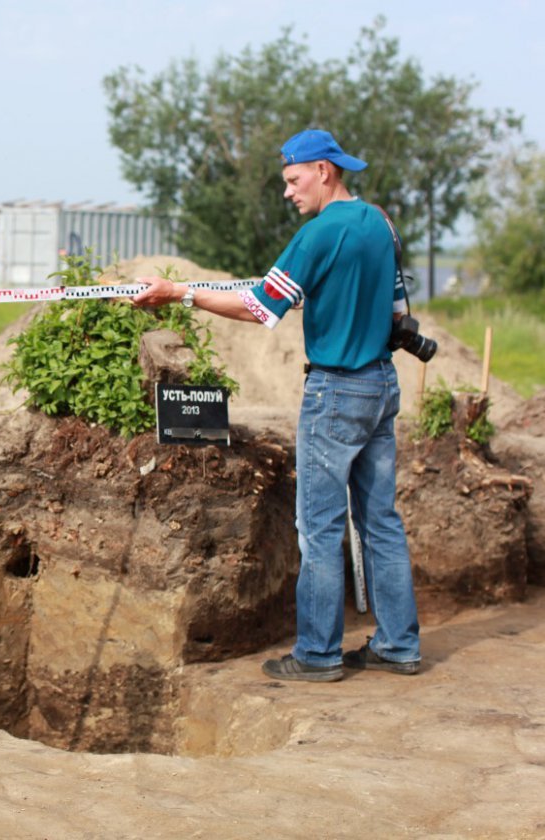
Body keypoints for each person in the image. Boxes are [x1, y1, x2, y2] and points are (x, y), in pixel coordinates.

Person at [131, 128, 421, 683]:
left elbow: (260, 309)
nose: (288, 192)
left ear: (323, 172)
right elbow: (398, 313)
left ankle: (316, 655)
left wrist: (178, 293)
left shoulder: (317, 236)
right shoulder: (380, 223)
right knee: (380, 521)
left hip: (335, 391)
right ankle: (398, 645)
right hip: (382, 384)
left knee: (318, 526)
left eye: (293, 180)